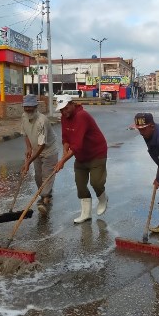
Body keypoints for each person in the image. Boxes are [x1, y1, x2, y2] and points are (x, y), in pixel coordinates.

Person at [54, 95, 108, 223]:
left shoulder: (81, 116)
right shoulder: (64, 118)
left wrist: (62, 161)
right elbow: (66, 138)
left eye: (66, 108)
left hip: (96, 153)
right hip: (81, 156)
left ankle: (103, 199)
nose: (64, 112)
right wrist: (63, 154)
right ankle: (86, 213)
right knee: (80, 184)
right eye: (61, 110)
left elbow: (77, 145)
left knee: (96, 182)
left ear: (72, 104)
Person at [20, 94, 59, 214]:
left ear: (36, 106)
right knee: (38, 177)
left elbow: (42, 146)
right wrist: (28, 148)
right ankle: (45, 195)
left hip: (48, 151)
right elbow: (25, 133)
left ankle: (45, 200)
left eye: (30, 107)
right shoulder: (24, 117)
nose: (28, 109)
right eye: (26, 107)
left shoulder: (42, 121)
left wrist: (28, 162)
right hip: (36, 151)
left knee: (47, 176)